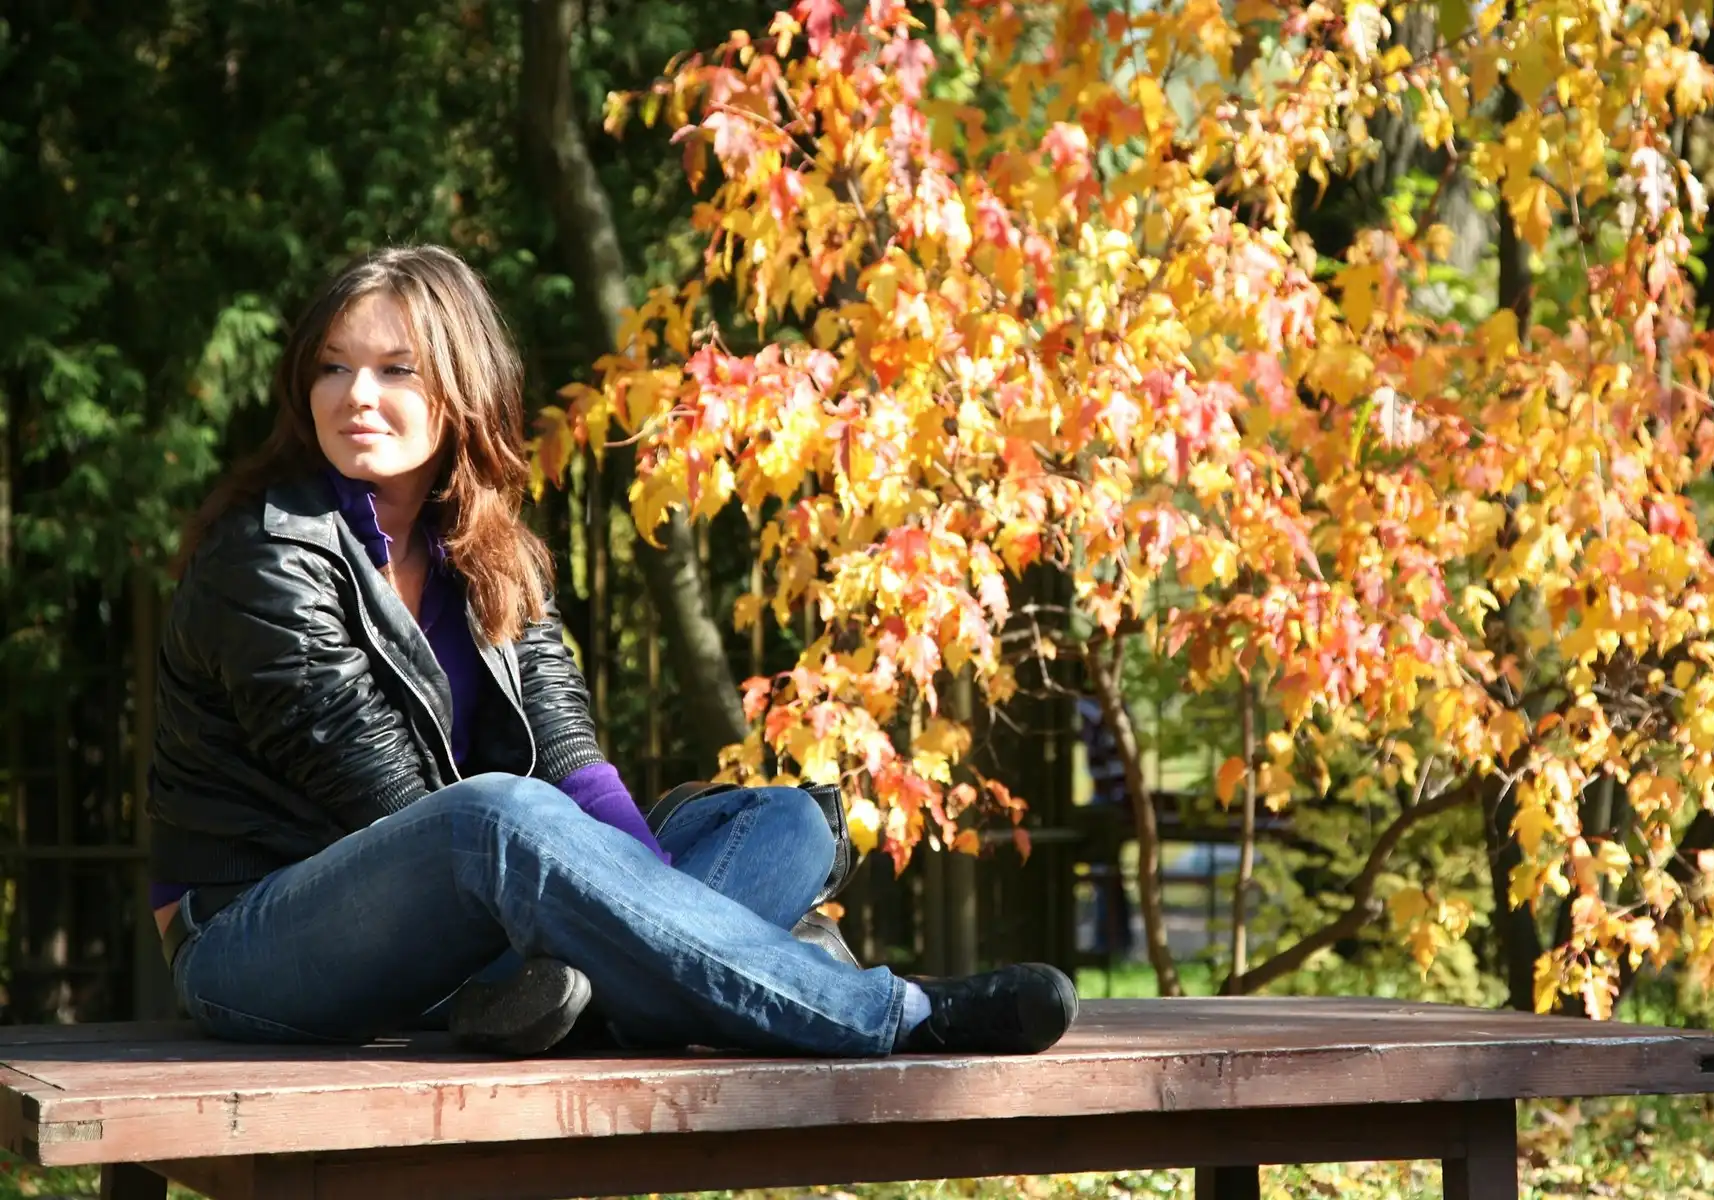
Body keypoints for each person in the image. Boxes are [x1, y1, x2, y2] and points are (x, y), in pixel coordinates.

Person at [147, 244, 1078, 1058]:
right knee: (493, 816)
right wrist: (634, 918)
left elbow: (571, 758)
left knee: (784, 824)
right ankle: (893, 1015)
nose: (356, 397)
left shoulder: (494, 549)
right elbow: (387, 802)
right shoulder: (265, 552)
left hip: (467, 915)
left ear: (462, 386)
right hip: (256, 943)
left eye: (397, 369)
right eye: (332, 368)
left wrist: (642, 905)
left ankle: (563, 1002)